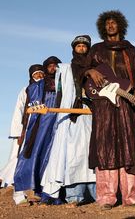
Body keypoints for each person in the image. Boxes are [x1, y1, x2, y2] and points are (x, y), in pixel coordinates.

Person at [84, 10, 135, 210]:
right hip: (103, 106)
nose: (111, 26)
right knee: (106, 149)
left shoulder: (129, 50)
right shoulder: (95, 49)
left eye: (114, 23)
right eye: (107, 24)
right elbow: (81, 69)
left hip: (125, 105)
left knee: (128, 147)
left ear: (120, 26)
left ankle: (131, 197)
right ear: (103, 27)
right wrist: (91, 70)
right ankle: (106, 198)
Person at [41, 35, 96, 207]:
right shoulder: (64, 69)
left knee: (92, 153)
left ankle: (97, 194)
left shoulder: (97, 69)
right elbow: (59, 93)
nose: (81, 48)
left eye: (84, 46)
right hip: (71, 116)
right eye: (78, 46)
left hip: (92, 115)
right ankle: (74, 196)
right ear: (74, 48)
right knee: (72, 154)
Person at [14, 56, 62, 204]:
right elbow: (25, 110)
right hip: (39, 127)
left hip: (58, 125)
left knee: (54, 157)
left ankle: (52, 193)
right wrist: (18, 132)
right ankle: (29, 192)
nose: (53, 68)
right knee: (34, 156)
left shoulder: (63, 84)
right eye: (50, 66)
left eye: (56, 66)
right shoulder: (34, 88)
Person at [0, 64, 44, 205]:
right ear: (31, 76)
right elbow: (18, 111)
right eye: (36, 74)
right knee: (19, 158)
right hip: (25, 130)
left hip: (40, 128)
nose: (39, 76)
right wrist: (18, 132)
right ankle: (12, 186)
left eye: (41, 74)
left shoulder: (46, 89)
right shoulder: (25, 90)